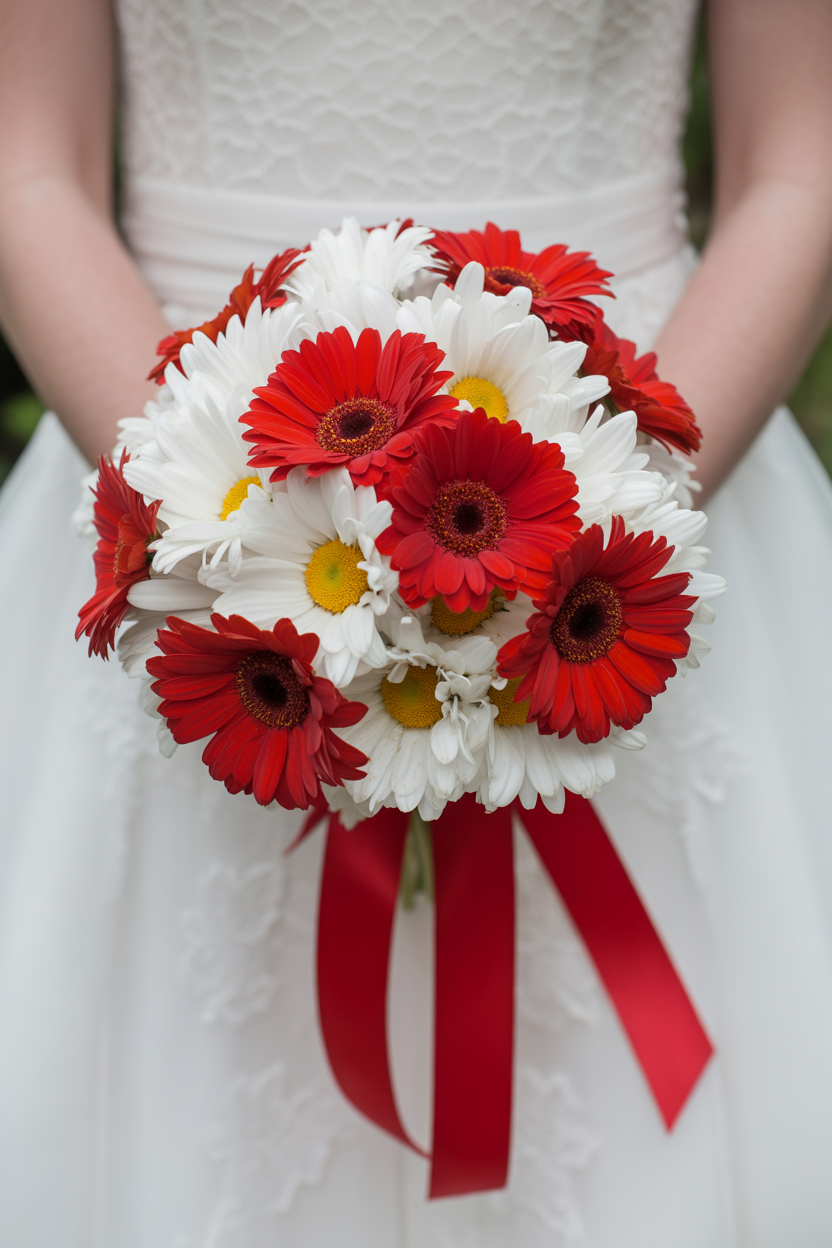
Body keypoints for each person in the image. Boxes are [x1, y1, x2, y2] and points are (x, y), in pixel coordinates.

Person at [1, 0, 832, 1243]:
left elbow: (797, 165)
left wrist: (600, 537)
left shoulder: (625, 520)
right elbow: (28, 167)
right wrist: (218, 544)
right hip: (175, 477)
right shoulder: (197, 523)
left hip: (649, 487)